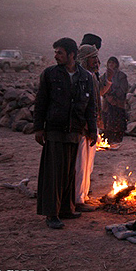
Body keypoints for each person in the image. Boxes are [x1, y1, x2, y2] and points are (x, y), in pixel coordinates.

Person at [34, 38, 97, 229]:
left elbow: (91, 106)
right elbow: (41, 102)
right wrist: (38, 128)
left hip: (75, 130)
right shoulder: (50, 75)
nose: (56, 56)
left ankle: (66, 209)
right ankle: (51, 213)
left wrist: (92, 130)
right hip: (54, 130)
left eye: (60, 52)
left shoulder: (86, 77)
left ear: (71, 55)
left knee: (70, 171)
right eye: (55, 52)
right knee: (53, 173)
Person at [73, 44, 101, 212]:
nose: (97, 61)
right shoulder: (80, 78)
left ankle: (82, 196)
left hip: (91, 126)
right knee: (80, 164)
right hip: (81, 128)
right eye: (93, 58)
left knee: (88, 165)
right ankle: (77, 199)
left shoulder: (92, 77)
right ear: (84, 59)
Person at [100, 56, 128, 149]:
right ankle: (108, 141)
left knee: (118, 122)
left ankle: (116, 142)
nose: (111, 65)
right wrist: (108, 96)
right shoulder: (104, 76)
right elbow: (101, 88)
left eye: (113, 63)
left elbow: (123, 89)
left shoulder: (121, 76)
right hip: (107, 103)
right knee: (106, 123)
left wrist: (114, 97)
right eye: (109, 63)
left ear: (116, 64)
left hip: (118, 103)